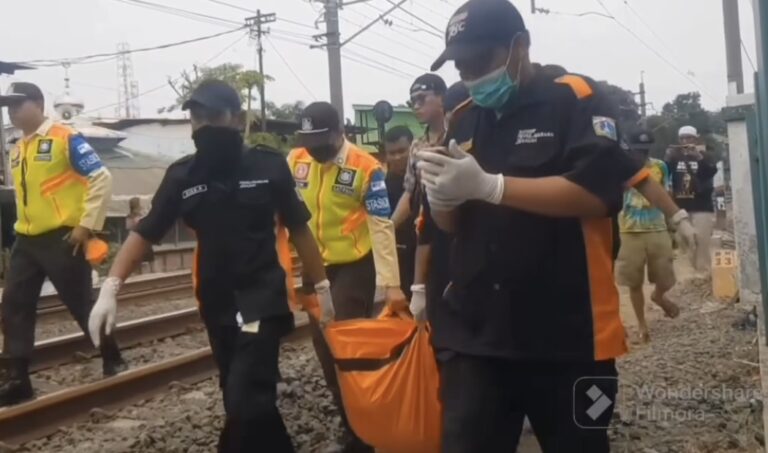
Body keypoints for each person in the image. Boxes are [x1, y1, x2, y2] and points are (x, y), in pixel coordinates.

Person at [418, 1, 652, 451]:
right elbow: (452, 226)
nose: (470, 74)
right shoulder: (464, 116)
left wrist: (491, 186)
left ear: (519, 47)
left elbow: (597, 193)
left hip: (568, 335)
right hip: (479, 335)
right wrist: (443, 197)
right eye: (460, 65)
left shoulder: (576, 98)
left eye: (479, 61)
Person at [87, 79, 333, 453]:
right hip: (216, 301)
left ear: (237, 118)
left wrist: (322, 287)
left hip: (262, 299)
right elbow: (146, 233)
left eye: (214, 115)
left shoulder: (268, 166)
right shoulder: (182, 176)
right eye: (197, 117)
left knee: (244, 397)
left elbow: (299, 229)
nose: (204, 126)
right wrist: (111, 287)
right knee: (241, 394)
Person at [287, 101, 405, 453]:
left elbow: (381, 227)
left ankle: (366, 432)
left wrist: (391, 284)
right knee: (323, 349)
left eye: (321, 139)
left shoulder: (366, 167)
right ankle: (351, 424)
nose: (314, 147)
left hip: (354, 264)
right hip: (313, 266)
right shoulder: (296, 160)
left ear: (340, 132)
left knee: (346, 346)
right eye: (308, 140)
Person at [0, 82, 125, 407]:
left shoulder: (64, 137)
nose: (11, 111)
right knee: (14, 304)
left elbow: (101, 177)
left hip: (63, 238)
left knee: (81, 303)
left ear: (38, 104)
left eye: (18, 104)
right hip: (26, 239)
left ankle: (112, 357)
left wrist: (85, 225)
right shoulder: (17, 148)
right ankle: (18, 379)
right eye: (8, 106)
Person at [616, 130, 681, 343]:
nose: (641, 154)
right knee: (634, 282)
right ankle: (642, 325)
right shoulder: (619, 168)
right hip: (629, 230)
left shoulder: (660, 166)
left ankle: (659, 296)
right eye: (638, 150)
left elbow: (666, 194)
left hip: (657, 227)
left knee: (666, 276)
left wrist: (675, 224)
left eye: (645, 150)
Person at [390, 74, 448, 230]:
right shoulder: (416, 146)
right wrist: (390, 225)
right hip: (426, 228)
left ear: (441, 97)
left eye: (421, 99)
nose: (416, 106)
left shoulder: (459, 134)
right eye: (412, 101)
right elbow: (410, 192)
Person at [666, 125, 718, 273]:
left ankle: (703, 275)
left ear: (695, 139)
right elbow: (664, 173)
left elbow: (710, 172)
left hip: (702, 206)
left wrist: (699, 157)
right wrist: (668, 158)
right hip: (681, 206)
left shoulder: (705, 155)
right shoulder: (675, 156)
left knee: (701, 244)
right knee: (684, 245)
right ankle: (689, 278)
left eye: (689, 137)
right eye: (682, 138)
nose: (686, 140)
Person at [383, 125, 417, 299]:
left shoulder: (426, 176)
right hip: (400, 257)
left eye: (402, 150)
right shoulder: (381, 186)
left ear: (413, 147)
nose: (397, 157)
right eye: (391, 153)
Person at [125, 197, 155, 273]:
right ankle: (151, 271)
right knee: (142, 255)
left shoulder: (132, 215)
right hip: (140, 236)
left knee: (146, 254)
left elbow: (128, 227)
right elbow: (131, 226)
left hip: (138, 236)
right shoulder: (133, 216)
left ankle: (149, 271)